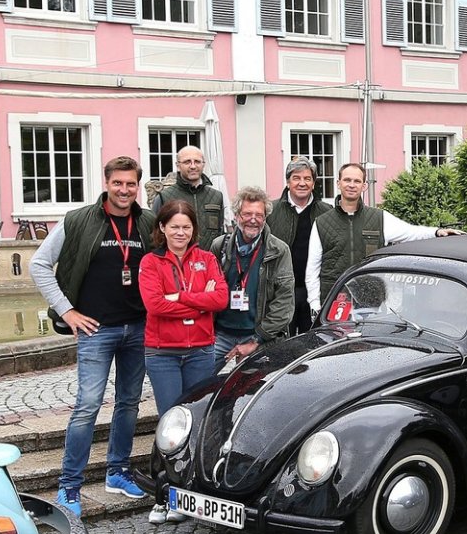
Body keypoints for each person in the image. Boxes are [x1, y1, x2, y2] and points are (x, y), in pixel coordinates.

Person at [30, 156, 156, 517]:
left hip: (138, 327)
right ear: (106, 182)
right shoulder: (78, 220)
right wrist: (67, 311)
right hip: (96, 330)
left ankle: (117, 472)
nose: (124, 190)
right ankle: (69, 485)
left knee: (129, 403)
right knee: (87, 407)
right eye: (118, 183)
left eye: (130, 184)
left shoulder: (147, 222)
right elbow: (39, 264)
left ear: (138, 186)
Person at [305, 162, 463, 314]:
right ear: (339, 183)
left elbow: (410, 232)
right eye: (347, 180)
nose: (352, 185)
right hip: (334, 302)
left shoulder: (379, 218)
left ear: (364, 186)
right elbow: (312, 269)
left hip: (371, 302)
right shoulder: (322, 222)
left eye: (357, 181)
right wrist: (314, 304)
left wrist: (436, 232)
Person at [139, 200, 228, 413]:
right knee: (171, 416)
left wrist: (179, 296)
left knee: (198, 415)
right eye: (174, 227)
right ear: (162, 227)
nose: (181, 233)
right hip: (163, 354)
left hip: (201, 350)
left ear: (193, 229)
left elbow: (221, 300)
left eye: (186, 227)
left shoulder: (207, 259)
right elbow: (156, 306)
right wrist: (202, 303)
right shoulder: (150, 262)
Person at [211, 186, 295, 369]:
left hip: (257, 335)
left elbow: (284, 303)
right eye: (247, 214)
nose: (253, 220)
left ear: (265, 218)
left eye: (259, 215)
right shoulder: (220, 247)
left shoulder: (279, 251)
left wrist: (258, 339)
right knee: (201, 385)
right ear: (237, 216)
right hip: (220, 334)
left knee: (251, 390)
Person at [267, 156, 333, 334]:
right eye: (296, 178)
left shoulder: (328, 213)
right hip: (280, 293)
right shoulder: (270, 212)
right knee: (281, 347)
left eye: (307, 178)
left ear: (314, 183)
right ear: (288, 182)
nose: (302, 183)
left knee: (312, 344)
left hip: (315, 293)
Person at [149, 145, 230, 250]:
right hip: (176, 262)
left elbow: (220, 233)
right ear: (178, 165)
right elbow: (155, 235)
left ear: (203, 164)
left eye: (197, 161)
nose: (193, 166)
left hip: (209, 261)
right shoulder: (164, 197)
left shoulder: (217, 197)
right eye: (187, 162)